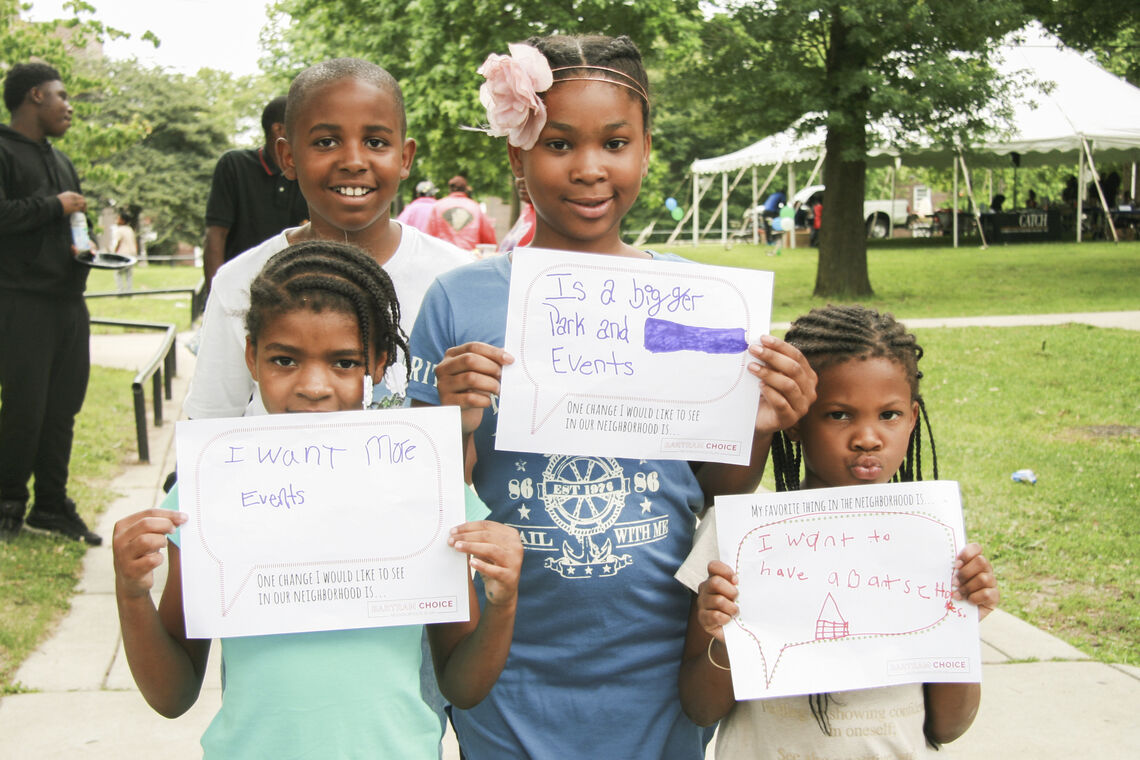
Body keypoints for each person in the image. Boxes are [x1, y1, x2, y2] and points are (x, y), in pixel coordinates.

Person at [407, 35, 817, 759]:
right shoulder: (458, 303)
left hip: (658, 660)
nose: (590, 168)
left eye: (615, 143)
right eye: (559, 143)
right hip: (507, 660)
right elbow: (423, 500)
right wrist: (454, 421)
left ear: (647, 151)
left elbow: (718, 485)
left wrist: (755, 427)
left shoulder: (701, 300)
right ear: (517, 155)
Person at [112, 240, 522, 758]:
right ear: (251, 359)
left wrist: (503, 603)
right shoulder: (208, 488)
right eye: (284, 359)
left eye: (343, 362)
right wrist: (131, 595)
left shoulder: (422, 479)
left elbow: (462, 686)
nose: (312, 386)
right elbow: (172, 695)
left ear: (376, 364)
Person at [677, 304, 1000, 760]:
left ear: (912, 417)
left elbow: (948, 726)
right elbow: (699, 707)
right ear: (794, 422)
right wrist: (725, 639)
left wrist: (963, 624)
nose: (868, 437)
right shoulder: (737, 538)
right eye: (839, 415)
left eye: (888, 415)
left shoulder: (932, 545)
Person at [184, 58, 473, 422]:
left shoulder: (457, 279)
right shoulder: (239, 282)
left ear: (404, 157)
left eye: (375, 141)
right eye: (326, 142)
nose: (353, 161)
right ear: (287, 157)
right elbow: (209, 427)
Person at [0, 62, 101, 545]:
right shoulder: (1, 150)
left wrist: (86, 244)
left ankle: (51, 506)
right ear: (35, 95)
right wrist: (55, 206)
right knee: (24, 407)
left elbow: (71, 224)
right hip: (20, 300)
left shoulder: (60, 160)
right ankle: (8, 502)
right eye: (62, 96)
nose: (69, 106)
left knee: (63, 408)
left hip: (68, 302)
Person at [202, 96, 309, 287]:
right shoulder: (235, 165)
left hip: (297, 295)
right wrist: (216, 292)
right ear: (279, 129)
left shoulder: (309, 174)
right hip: (241, 289)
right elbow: (215, 235)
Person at [426, 174, 497, 251]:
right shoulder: (475, 207)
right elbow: (487, 236)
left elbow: (429, 234)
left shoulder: (438, 206)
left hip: (443, 254)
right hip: (469, 255)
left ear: (450, 189)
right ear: (465, 189)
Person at [495, 176, 535, 254]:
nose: (521, 180)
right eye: (519, 174)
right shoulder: (528, 210)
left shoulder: (549, 218)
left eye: (527, 173)